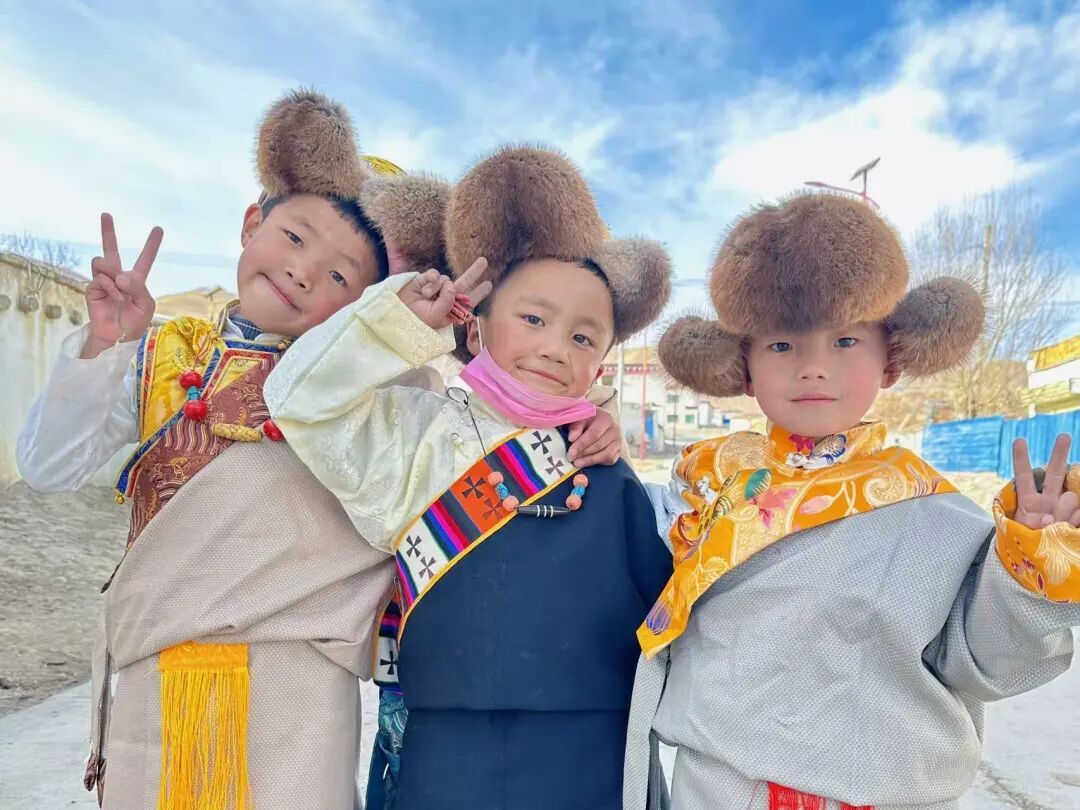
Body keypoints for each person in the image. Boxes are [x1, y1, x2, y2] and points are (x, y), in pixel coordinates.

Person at [16, 88, 453, 810]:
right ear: (252, 223)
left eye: (343, 275)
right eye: (296, 237)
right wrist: (104, 345)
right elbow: (48, 465)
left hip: (300, 696)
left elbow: (461, 451)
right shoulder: (166, 356)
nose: (305, 271)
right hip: (154, 680)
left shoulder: (381, 387)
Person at [623, 190, 1080, 810]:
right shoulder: (701, 485)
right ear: (745, 367)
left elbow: (990, 662)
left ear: (891, 358)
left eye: (844, 341)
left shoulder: (934, 514)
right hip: (715, 790)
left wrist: (1032, 561)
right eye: (781, 345)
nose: (813, 367)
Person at [265, 145, 676, 810]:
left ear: (599, 367)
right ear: (477, 333)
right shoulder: (415, 437)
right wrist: (396, 322)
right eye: (533, 319)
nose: (554, 347)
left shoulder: (602, 463)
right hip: (446, 754)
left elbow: (668, 602)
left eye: (582, 338)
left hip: (589, 757)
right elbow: (300, 402)